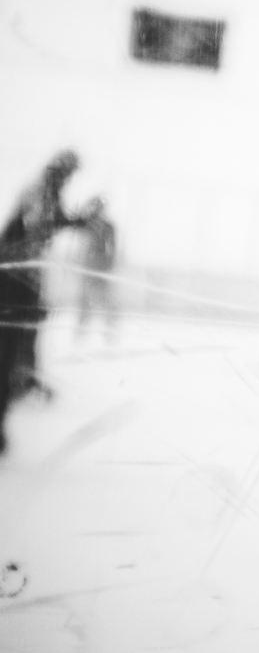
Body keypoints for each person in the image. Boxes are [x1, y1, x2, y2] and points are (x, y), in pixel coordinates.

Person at [0, 149, 80, 453]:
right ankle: (21, 383)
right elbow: (35, 231)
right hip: (13, 282)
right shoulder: (41, 192)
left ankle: (25, 380)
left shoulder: (44, 191)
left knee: (20, 341)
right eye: (69, 174)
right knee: (11, 347)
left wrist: (78, 219)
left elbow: (46, 226)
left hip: (20, 281)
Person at [73, 196, 118, 341]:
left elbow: (111, 250)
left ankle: (109, 331)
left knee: (103, 300)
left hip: (99, 269)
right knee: (85, 301)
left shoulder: (107, 226)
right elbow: (82, 246)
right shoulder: (87, 225)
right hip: (88, 267)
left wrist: (106, 266)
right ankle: (81, 332)